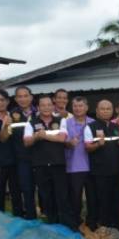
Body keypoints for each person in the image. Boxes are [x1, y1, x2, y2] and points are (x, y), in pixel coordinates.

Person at [23, 95, 75, 229]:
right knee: (47, 197)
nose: (46, 107)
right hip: (40, 165)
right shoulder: (31, 123)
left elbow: (62, 138)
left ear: (53, 106)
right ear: (38, 107)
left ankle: (67, 226)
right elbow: (27, 142)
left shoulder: (61, 120)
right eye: (43, 105)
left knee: (62, 196)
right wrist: (36, 137)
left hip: (58, 164)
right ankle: (53, 225)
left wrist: (44, 135)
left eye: (49, 105)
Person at [85, 100, 119, 230]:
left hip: (116, 170)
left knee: (116, 198)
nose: (106, 111)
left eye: (108, 109)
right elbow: (87, 148)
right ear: (97, 111)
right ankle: (103, 224)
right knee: (102, 199)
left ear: (113, 111)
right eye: (103, 109)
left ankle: (116, 224)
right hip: (99, 171)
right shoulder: (90, 127)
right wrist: (98, 144)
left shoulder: (116, 127)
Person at [65, 96, 98, 230]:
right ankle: (75, 222)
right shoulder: (66, 123)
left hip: (92, 166)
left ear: (87, 107)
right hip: (74, 166)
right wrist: (69, 143)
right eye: (75, 106)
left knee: (92, 197)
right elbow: (61, 142)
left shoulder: (93, 122)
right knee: (75, 198)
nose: (78, 108)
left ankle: (92, 222)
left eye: (81, 106)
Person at [6, 86, 38, 219]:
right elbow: (4, 138)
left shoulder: (40, 112)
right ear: (15, 99)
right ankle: (31, 218)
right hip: (22, 159)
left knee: (45, 190)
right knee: (27, 189)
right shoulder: (11, 115)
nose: (23, 99)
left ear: (31, 97)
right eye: (20, 96)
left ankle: (49, 218)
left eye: (26, 96)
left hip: (41, 158)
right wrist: (4, 125)